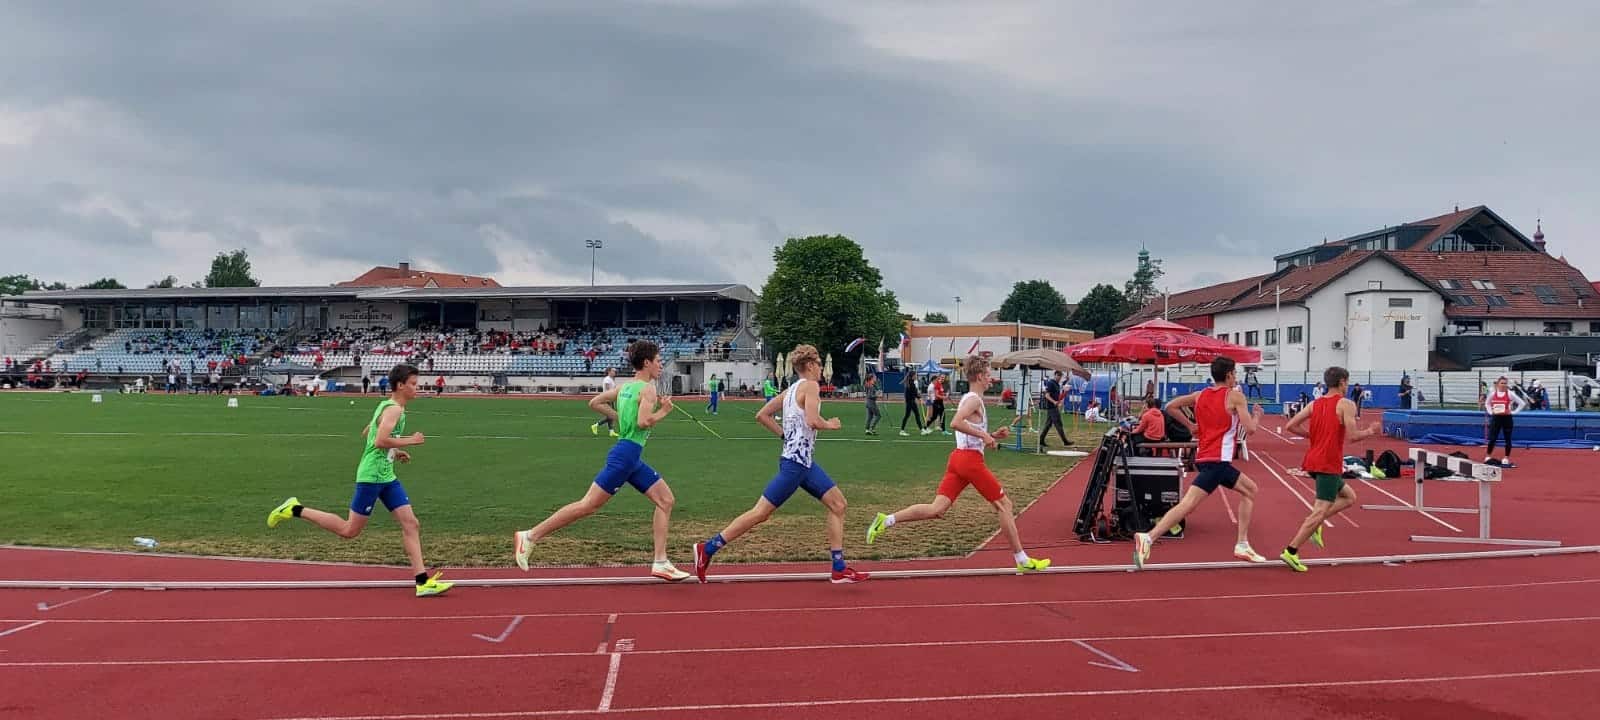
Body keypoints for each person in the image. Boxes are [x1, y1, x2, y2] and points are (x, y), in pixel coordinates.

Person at [266, 363, 453, 598]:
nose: (418, 388)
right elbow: (378, 440)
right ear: (400, 385)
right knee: (349, 530)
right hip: (372, 477)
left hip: (386, 475)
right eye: (413, 384)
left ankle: (422, 581)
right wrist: (410, 441)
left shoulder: (388, 407)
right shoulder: (393, 409)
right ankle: (294, 509)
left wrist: (395, 453)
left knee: (411, 523)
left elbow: (368, 432)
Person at [514, 341, 691, 581]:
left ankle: (661, 562)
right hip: (625, 457)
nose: (661, 365)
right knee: (588, 505)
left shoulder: (625, 387)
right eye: (658, 361)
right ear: (647, 363)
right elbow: (643, 422)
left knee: (666, 500)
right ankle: (530, 536)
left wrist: (619, 417)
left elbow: (594, 403)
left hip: (630, 457)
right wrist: (664, 411)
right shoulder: (647, 389)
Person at [694, 344, 869, 584]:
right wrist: (830, 424)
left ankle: (839, 567)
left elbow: (762, 415)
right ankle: (708, 548)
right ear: (809, 366)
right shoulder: (810, 386)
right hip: (795, 465)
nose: (820, 368)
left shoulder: (790, 390)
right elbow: (812, 420)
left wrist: (784, 435)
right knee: (760, 513)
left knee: (838, 504)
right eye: (818, 363)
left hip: (803, 463)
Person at [866, 356, 1050, 573]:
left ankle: (886, 520)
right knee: (1004, 505)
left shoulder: (969, 399)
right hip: (969, 462)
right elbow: (955, 423)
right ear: (980, 376)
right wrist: (984, 434)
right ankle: (1022, 560)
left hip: (959, 459)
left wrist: (991, 436)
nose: (991, 379)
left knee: (937, 509)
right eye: (989, 374)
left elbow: (967, 433)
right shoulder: (974, 400)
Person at [1133, 357, 1269, 568]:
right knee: (1188, 505)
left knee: (1250, 490)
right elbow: (1250, 429)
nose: (1236, 377)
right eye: (1235, 373)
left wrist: (1191, 426)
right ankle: (1148, 538)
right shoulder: (1235, 397)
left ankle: (1242, 544)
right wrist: (1257, 416)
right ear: (1229, 375)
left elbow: (1170, 406)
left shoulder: (1200, 395)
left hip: (1208, 459)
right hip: (1217, 461)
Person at [1279, 366, 1380, 572]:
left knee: (1349, 497)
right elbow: (1352, 436)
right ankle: (1291, 550)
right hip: (1327, 463)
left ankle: (1317, 523)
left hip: (1314, 460)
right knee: (1318, 511)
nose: (1348, 385)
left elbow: (1291, 426)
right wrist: (1370, 430)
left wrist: (1313, 437)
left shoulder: (1315, 404)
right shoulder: (1346, 404)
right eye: (1347, 382)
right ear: (1342, 382)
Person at [1484, 375, 1526, 467]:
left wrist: (1514, 412)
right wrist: (1491, 412)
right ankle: (1488, 456)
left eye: (1505, 383)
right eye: (1502, 383)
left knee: (1508, 439)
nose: (1503, 385)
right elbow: (1487, 403)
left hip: (1507, 419)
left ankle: (1506, 457)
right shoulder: (1492, 393)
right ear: (1498, 384)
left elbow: (1522, 403)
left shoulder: (1510, 393)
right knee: (1492, 438)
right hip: (1496, 418)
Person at [1038, 370, 1071, 448]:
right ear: (1055, 375)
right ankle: (1065, 441)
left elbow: (1058, 396)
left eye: (1060, 376)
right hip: (1052, 407)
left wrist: (1065, 391)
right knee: (1058, 424)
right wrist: (1054, 402)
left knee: (1048, 425)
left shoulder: (1057, 384)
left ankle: (1041, 440)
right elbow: (1046, 395)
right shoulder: (1050, 383)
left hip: (1053, 407)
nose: (1059, 378)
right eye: (1058, 376)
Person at [590, 367, 619, 438]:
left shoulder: (611, 379)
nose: (614, 372)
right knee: (611, 415)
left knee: (610, 415)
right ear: (609, 371)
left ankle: (611, 431)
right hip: (607, 399)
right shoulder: (607, 379)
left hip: (610, 399)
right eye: (613, 371)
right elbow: (607, 388)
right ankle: (596, 425)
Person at [900, 366, 925, 436]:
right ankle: (902, 430)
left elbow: (914, 393)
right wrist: (919, 397)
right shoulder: (911, 384)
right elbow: (913, 393)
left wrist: (918, 395)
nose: (916, 376)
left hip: (911, 402)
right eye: (915, 375)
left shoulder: (912, 383)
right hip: (910, 402)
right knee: (907, 416)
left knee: (916, 415)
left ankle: (921, 429)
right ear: (913, 376)